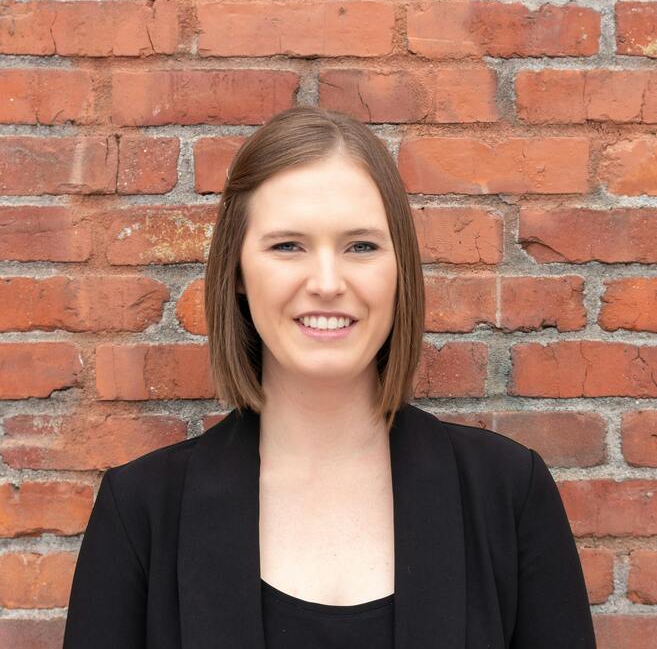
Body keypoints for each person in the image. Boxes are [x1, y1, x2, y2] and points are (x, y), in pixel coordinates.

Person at [63, 105, 597, 648]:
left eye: (360, 246)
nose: (326, 282)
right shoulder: (141, 514)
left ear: (399, 270)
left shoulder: (507, 494)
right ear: (238, 272)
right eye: (287, 245)